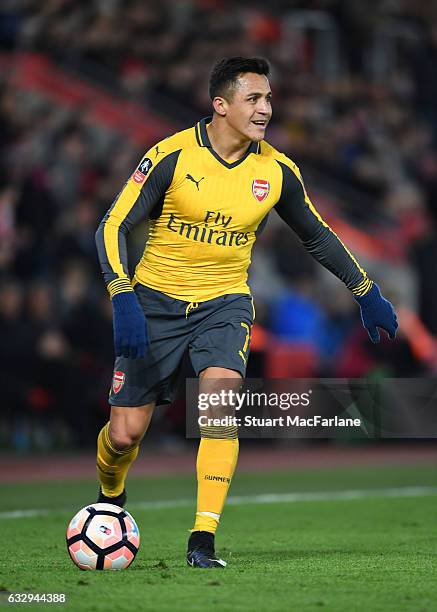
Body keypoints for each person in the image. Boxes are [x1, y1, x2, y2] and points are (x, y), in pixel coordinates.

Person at [94, 57, 398, 568]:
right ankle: (111, 494)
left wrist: (365, 289)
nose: (265, 109)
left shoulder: (276, 171)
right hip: (153, 303)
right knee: (124, 435)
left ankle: (202, 540)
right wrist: (122, 294)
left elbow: (317, 235)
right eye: (254, 99)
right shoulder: (170, 156)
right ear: (221, 105)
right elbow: (111, 225)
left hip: (225, 304)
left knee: (218, 408)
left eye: (269, 99)